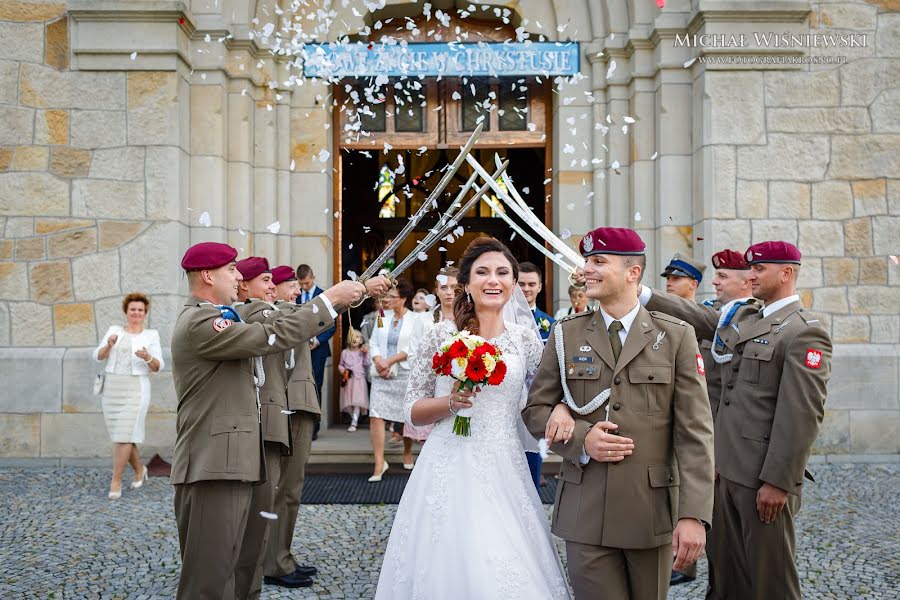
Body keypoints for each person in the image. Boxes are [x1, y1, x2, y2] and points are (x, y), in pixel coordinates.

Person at [170, 241, 389, 599]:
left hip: (235, 461)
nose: (238, 276)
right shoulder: (200, 322)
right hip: (212, 466)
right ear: (207, 276)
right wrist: (329, 298)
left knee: (243, 569)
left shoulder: (221, 317)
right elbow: (268, 334)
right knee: (210, 582)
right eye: (230, 270)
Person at [523, 227, 714, 600]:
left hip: (650, 511)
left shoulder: (676, 336)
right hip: (585, 511)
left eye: (598, 262)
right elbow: (534, 410)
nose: (586, 271)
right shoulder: (566, 334)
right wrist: (581, 440)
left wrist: (693, 515)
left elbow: (695, 433)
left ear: (633, 272)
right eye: (586, 262)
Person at [374, 238, 570, 600]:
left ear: (514, 283)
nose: (492, 280)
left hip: (504, 462)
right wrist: (450, 401)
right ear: (465, 283)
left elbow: (543, 398)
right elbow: (412, 408)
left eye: (501, 272)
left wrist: (559, 408)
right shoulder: (441, 335)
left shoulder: (526, 341)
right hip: (447, 460)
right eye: (482, 272)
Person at [638, 241, 832, 600]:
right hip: (725, 471)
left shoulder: (803, 331)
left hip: (762, 479)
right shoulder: (744, 316)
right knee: (726, 577)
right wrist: (640, 292)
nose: (752, 275)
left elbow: (801, 416)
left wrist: (778, 482)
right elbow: (700, 318)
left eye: (759, 269)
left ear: (786, 273)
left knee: (769, 580)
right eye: (751, 268)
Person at [262, 264, 332, 589]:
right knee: (279, 489)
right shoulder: (271, 315)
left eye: (296, 286)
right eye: (290, 286)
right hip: (282, 409)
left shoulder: (293, 313)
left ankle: (281, 556)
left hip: (299, 404)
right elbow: (290, 322)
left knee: (291, 490)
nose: (296, 292)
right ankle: (273, 562)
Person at [232, 257, 297, 598]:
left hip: (274, 415)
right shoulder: (255, 312)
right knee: (262, 508)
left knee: (272, 498)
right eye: (266, 280)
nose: (273, 287)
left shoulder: (263, 309)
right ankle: (256, 576)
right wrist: (334, 298)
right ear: (244, 285)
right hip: (267, 419)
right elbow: (289, 321)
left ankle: (259, 574)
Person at [93, 293, 163, 499]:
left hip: (136, 389)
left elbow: (158, 366)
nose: (136, 313)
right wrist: (109, 345)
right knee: (123, 435)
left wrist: (147, 356)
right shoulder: (114, 331)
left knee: (123, 435)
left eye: (140, 310)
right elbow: (98, 356)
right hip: (113, 387)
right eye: (133, 309)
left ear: (145, 313)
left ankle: (116, 480)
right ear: (126, 311)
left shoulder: (151, 335)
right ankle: (140, 469)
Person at [368, 279, 418, 479]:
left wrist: (390, 361)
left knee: (405, 416)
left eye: (392, 297)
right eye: (386, 296)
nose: (387, 300)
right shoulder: (382, 316)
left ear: (404, 299)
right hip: (381, 373)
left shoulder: (416, 319)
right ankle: (379, 463)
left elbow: (414, 347)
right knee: (375, 416)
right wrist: (380, 361)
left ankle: (407, 452)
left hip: (404, 372)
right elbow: (373, 342)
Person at [296, 264, 335, 441]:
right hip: (298, 349)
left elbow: (331, 325)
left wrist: (317, 341)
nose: (303, 287)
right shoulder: (296, 296)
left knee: (316, 386)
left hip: (318, 350)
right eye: (301, 283)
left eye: (306, 283)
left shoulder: (323, 295)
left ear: (313, 277)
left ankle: (314, 428)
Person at [339, 327, 370, 432]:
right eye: (352, 337)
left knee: (357, 402)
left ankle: (354, 422)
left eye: (357, 337)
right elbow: (340, 365)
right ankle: (353, 418)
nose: (355, 339)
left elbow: (367, 363)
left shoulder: (362, 352)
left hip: (359, 380)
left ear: (361, 340)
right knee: (349, 402)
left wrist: (366, 353)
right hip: (349, 381)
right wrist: (344, 371)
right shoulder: (344, 352)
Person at [518, 261, 555, 341]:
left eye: (531, 284)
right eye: (521, 284)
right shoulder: (500, 320)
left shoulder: (552, 324)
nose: (526, 289)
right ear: (513, 285)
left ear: (539, 287)